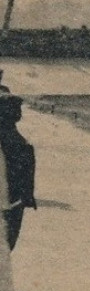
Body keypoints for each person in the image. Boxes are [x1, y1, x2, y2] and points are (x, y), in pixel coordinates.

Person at [0, 93, 36, 253]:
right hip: (12, 204)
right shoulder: (23, 145)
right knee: (7, 249)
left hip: (9, 202)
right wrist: (27, 198)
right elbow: (27, 183)